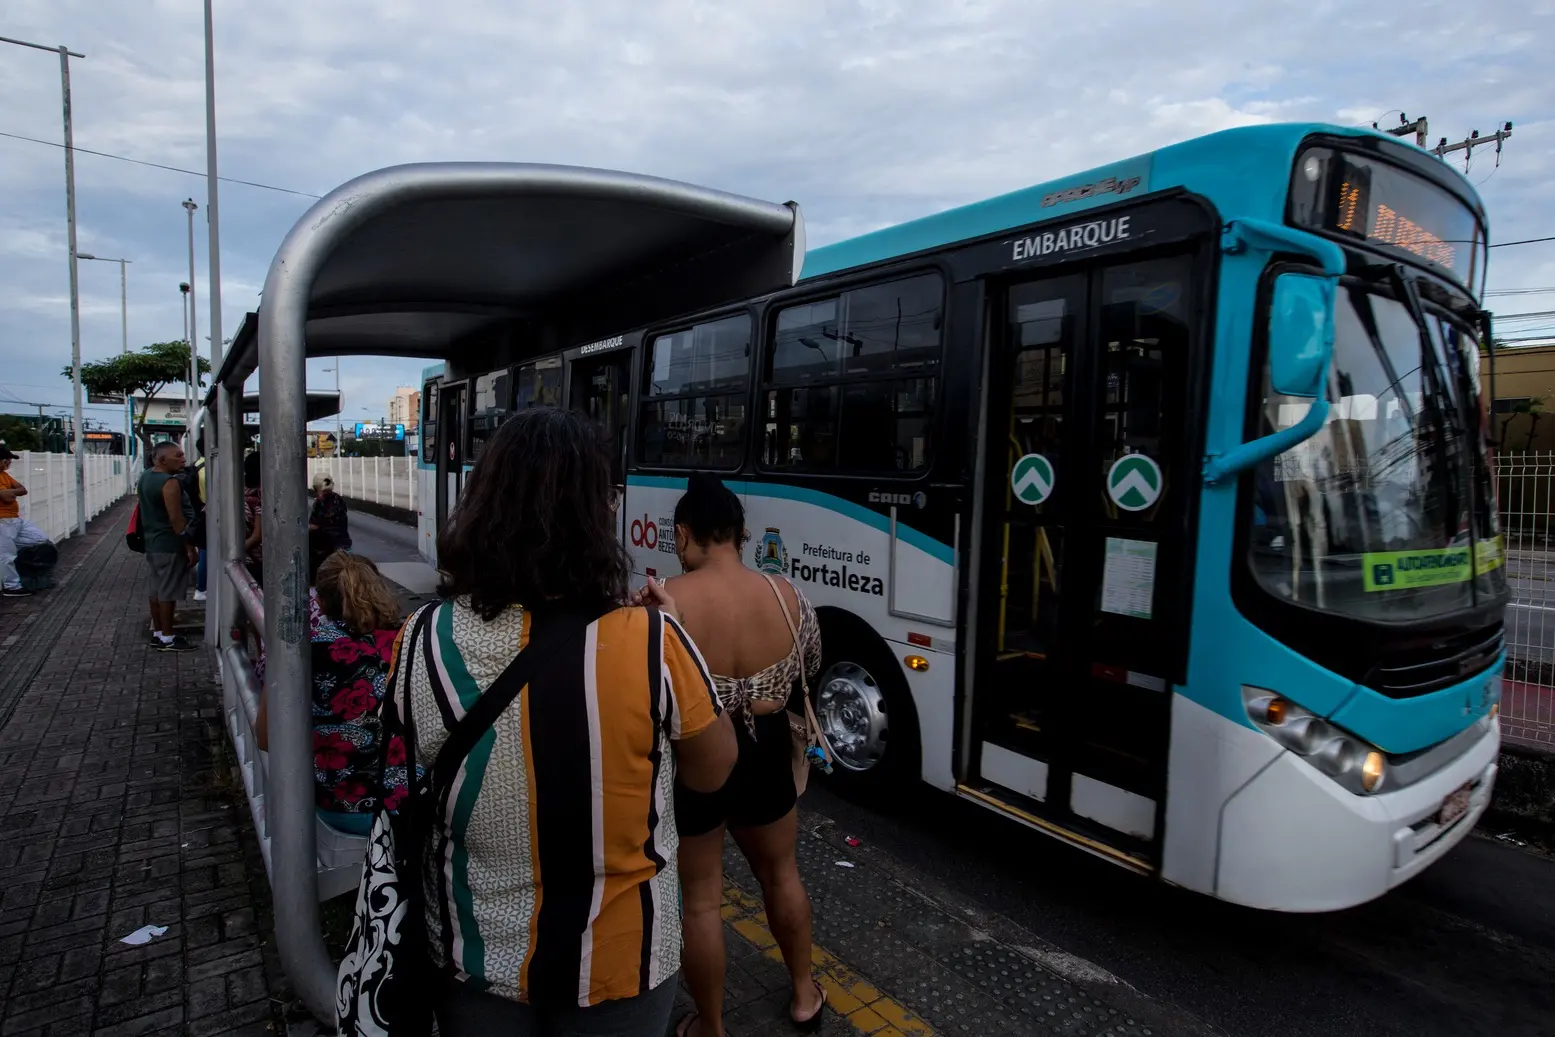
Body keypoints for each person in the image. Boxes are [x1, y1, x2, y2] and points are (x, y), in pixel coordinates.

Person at [391, 407, 737, 1037]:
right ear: (593, 513)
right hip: (621, 965)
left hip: (473, 957)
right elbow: (715, 772)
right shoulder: (656, 642)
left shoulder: (421, 639)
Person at [654, 473, 826, 1037]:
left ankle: (712, 1026)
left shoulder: (665, 604)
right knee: (780, 873)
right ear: (740, 533)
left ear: (684, 534)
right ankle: (804, 995)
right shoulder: (786, 595)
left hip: (696, 755)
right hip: (767, 743)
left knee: (702, 900)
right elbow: (812, 660)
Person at [256, 549, 403, 835]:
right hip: (409, 801)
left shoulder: (303, 650)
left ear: (320, 603)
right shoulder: (409, 637)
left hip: (345, 808)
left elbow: (265, 737)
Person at [138, 441, 198, 652]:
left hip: (152, 542)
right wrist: (189, 546)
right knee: (168, 592)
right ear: (162, 460)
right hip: (170, 544)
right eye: (178, 455)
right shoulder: (169, 482)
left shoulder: (146, 477)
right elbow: (177, 519)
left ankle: (158, 632)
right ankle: (168, 637)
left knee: (156, 590)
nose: (183, 458)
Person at [0, 447, 50, 598]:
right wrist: (10, 493)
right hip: (2, 520)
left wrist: (10, 493)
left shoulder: (4, 476)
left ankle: (18, 566)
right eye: (6, 460)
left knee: (40, 539)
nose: (9, 463)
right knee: (6, 556)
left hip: (15, 519)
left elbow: (22, 490)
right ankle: (12, 587)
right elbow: (8, 497)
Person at [309, 472, 352, 552]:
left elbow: (314, 526)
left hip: (327, 548)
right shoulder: (339, 499)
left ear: (317, 488)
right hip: (344, 545)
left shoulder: (320, 503)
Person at [243, 451, 263, 586]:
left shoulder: (238, 490)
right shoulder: (262, 495)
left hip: (243, 557)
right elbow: (258, 536)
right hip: (259, 558)